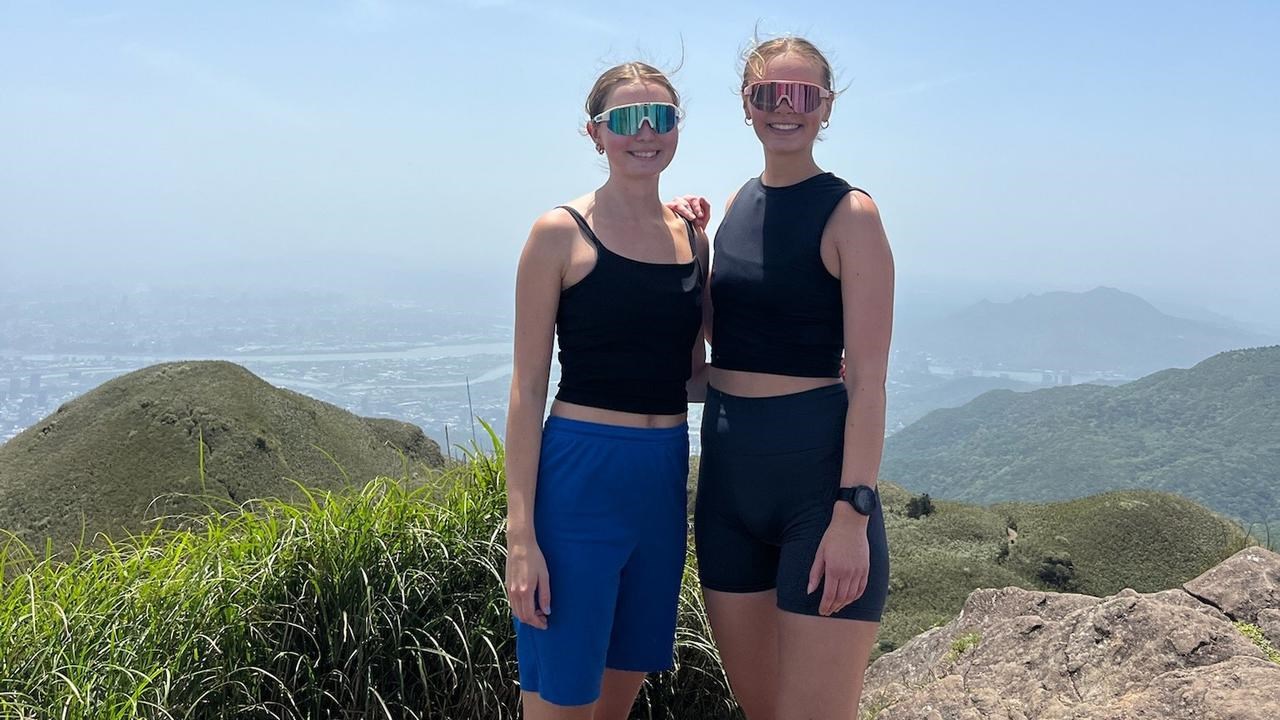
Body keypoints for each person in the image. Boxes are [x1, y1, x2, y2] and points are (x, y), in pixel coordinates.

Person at [669, 36, 894, 718]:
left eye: (804, 96)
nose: (785, 109)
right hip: (728, 493)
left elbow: (872, 381)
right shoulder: (737, 202)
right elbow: (721, 349)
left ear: (827, 107)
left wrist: (852, 515)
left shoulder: (851, 214)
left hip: (816, 496)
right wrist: (694, 248)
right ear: (747, 106)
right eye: (769, 94)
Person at [503, 62, 710, 720]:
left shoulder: (692, 240)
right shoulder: (559, 234)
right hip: (581, 480)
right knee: (561, 700)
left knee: (617, 701)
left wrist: (809, 378)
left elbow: (693, 375)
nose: (644, 131)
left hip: (661, 481)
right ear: (596, 134)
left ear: (677, 129)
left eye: (662, 117)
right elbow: (526, 387)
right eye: (625, 119)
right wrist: (521, 539)